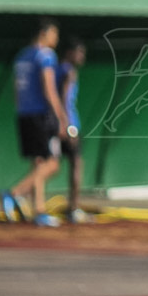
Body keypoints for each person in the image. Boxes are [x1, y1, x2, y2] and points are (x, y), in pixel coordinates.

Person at [0, 19, 69, 227]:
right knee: (52, 163)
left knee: (38, 162)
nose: (55, 39)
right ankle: (15, 193)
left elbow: (16, 91)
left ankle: (39, 210)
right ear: (44, 33)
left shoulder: (22, 56)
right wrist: (61, 116)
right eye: (54, 34)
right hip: (41, 115)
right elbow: (49, 88)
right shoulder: (45, 55)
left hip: (24, 114)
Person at [56, 38, 87, 223]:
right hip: (69, 125)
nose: (82, 57)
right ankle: (73, 208)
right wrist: (69, 126)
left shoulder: (57, 69)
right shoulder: (69, 72)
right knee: (75, 164)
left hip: (59, 124)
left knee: (48, 163)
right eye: (79, 52)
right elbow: (65, 99)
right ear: (69, 53)